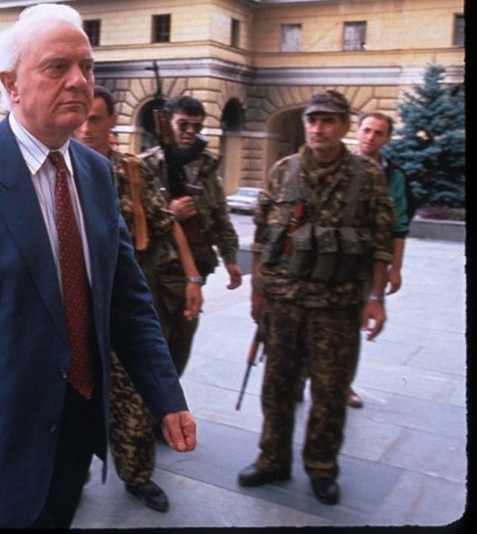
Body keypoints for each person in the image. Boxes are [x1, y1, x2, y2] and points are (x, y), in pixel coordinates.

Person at [0, 3, 196, 528]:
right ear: (11, 83)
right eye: (57, 67)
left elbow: (126, 298)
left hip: (77, 423)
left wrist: (166, 396)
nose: (79, 82)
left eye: (86, 67)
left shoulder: (96, 173)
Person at [237, 89, 394, 506]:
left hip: (337, 306)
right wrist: (257, 293)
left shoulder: (367, 176)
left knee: (329, 390)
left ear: (343, 126)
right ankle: (272, 458)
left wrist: (376, 298)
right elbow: (260, 237)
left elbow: (380, 243)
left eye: (327, 121)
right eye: (312, 120)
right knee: (277, 386)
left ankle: (322, 467)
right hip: (283, 303)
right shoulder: (283, 171)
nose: (317, 128)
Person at [74, 86, 204, 513]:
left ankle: (138, 476)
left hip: (119, 307)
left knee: (132, 404)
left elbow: (168, 225)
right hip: (71, 312)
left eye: (96, 119)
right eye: (82, 118)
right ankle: (70, 476)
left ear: (113, 123)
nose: (86, 127)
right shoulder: (58, 171)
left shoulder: (130, 172)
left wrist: (191, 276)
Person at [140, 95, 243, 376]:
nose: (189, 133)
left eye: (196, 127)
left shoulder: (207, 169)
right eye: (182, 124)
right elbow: (132, 222)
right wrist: (169, 212)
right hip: (155, 275)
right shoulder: (145, 167)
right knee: (150, 353)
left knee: (179, 352)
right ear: (167, 123)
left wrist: (231, 260)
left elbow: (221, 218)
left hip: (193, 274)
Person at [347, 111, 412, 408]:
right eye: (367, 130)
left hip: (366, 261)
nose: (371, 137)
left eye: (378, 133)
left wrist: (394, 268)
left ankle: (342, 384)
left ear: (387, 139)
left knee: (352, 324)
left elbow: (398, 228)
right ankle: (298, 380)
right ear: (358, 132)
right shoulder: (340, 164)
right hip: (328, 256)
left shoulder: (394, 176)